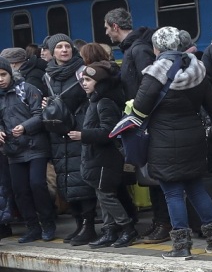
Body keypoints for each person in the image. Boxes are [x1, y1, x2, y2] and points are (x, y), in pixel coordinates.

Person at [130, 27, 212, 259]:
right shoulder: (197, 70)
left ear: (157, 48)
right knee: (196, 188)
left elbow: (140, 108)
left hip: (164, 141)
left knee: (173, 193)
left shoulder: (155, 72)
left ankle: (181, 246)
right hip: (194, 139)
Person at [104, 7, 167, 242]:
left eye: (107, 28)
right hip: (142, 119)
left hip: (146, 120)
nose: (107, 33)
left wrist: (140, 115)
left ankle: (164, 223)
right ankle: (159, 221)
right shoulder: (134, 47)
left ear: (115, 27)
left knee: (154, 174)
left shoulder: (138, 50)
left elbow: (148, 84)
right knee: (149, 174)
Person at [78, 60, 139, 248]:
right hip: (96, 157)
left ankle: (127, 228)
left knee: (106, 195)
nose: (84, 83)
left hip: (106, 157)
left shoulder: (104, 102)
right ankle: (109, 230)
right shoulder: (95, 100)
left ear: (99, 82)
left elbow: (109, 132)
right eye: (82, 80)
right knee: (101, 193)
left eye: (88, 79)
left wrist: (83, 135)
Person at [42, 34, 92, 245]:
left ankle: (89, 227)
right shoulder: (48, 76)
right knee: (66, 182)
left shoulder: (82, 72)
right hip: (58, 135)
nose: (65, 50)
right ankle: (78, 224)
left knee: (82, 181)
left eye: (68, 46)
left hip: (77, 132)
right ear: (52, 52)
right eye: (60, 47)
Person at [0, 56, 52, 243]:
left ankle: (47, 222)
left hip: (35, 145)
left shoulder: (27, 89)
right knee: (19, 190)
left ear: (10, 73)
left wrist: (24, 127)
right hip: (13, 151)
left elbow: (40, 115)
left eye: (3, 74)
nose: (0, 79)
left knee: (37, 184)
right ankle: (32, 227)